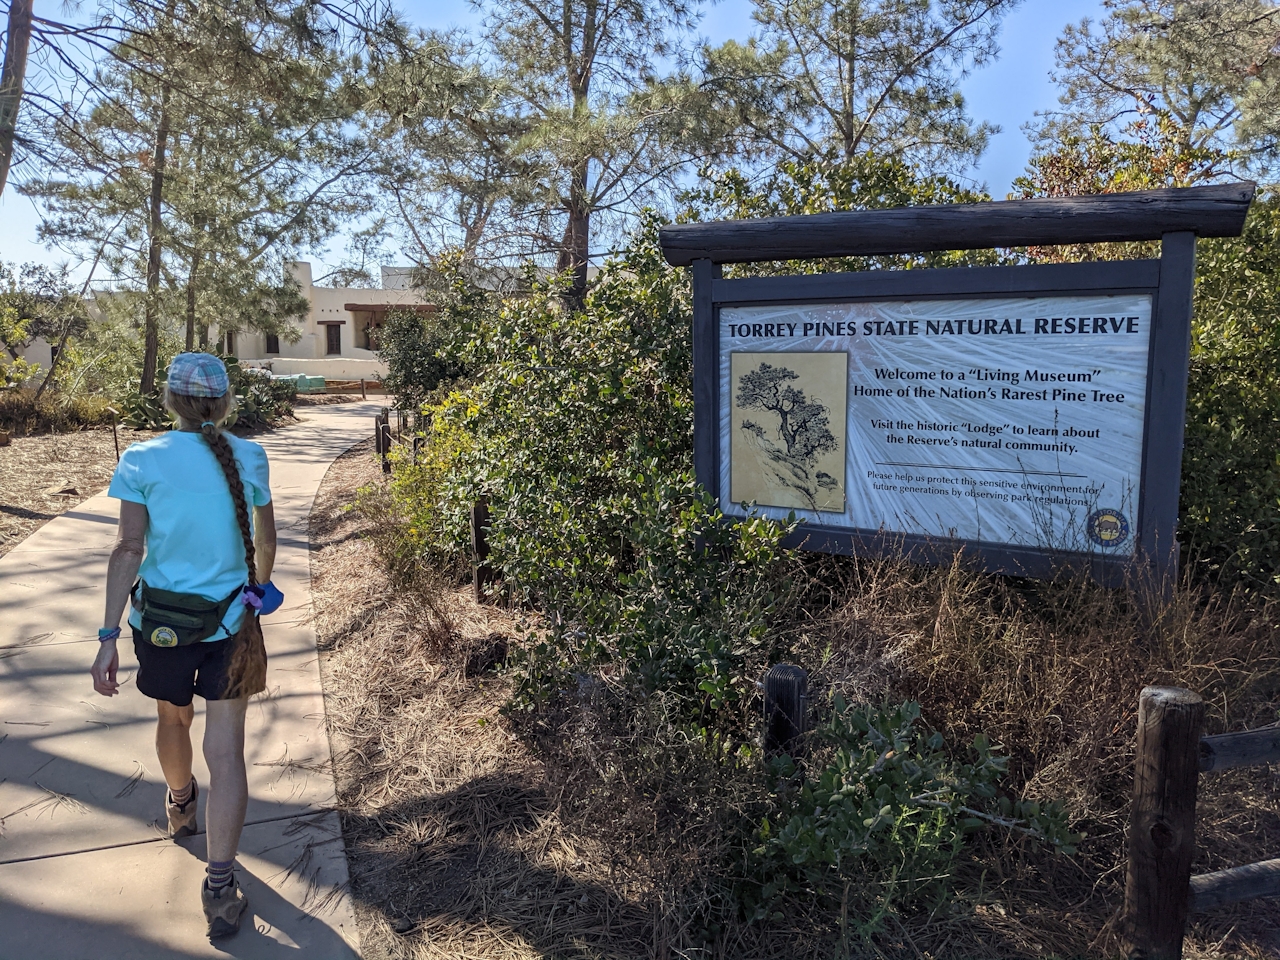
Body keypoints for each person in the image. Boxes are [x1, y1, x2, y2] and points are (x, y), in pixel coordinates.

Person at [90, 353, 283, 939]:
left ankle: (180, 805)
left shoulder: (142, 458)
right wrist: (257, 591)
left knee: (173, 722)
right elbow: (266, 537)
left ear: (170, 401)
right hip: (230, 626)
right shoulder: (248, 455)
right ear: (224, 403)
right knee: (226, 755)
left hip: (162, 629)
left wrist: (107, 637)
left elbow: (127, 549)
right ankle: (220, 886)